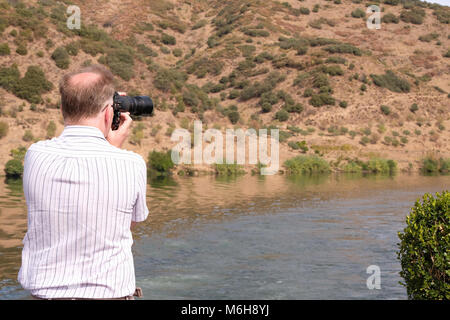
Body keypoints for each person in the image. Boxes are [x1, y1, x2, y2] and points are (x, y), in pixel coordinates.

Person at [18, 64, 149, 300]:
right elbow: (123, 225)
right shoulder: (132, 164)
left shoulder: (34, 155)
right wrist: (112, 146)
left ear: (61, 108)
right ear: (110, 114)